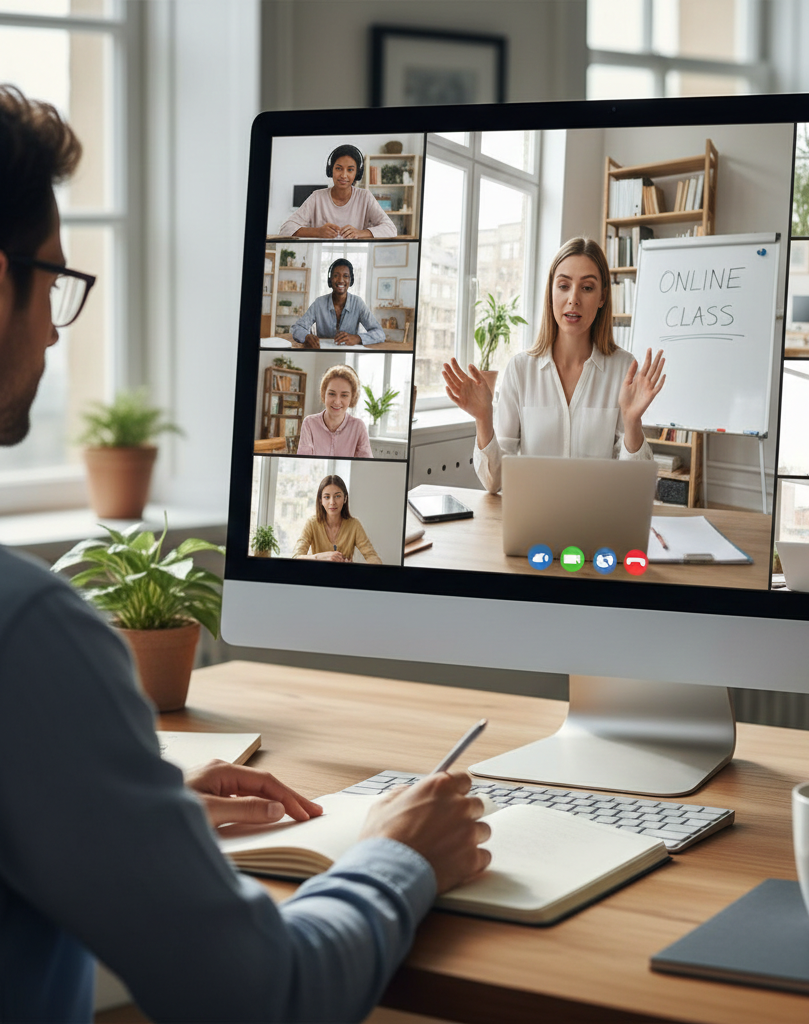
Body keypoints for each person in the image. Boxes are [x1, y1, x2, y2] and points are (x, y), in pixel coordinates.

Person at [0, 85, 488, 1021]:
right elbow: (270, 996)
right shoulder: (26, 639)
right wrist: (401, 853)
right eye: (53, 281)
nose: (56, 334)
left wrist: (116, 804)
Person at [442, 237, 665, 494]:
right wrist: (483, 419)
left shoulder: (623, 369)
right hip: (534, 524)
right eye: (563, 285)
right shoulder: (520, 370)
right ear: (551, 292)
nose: (573, 299)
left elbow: (633, 487)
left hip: (597, 522)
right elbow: (494, 482)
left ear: (603, 296)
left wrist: (632, 421)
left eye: (587, 288)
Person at [279, 144, 397, 239]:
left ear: (357, 173)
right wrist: (318, 232)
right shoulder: (317, 197)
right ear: (331, 170)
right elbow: (285, 229)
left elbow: (391, 229)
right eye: (339, 168)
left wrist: (360, 233)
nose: (343, 175)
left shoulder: (365, 197)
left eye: (350, 170)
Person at [291, 257, 386, 348]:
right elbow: (297, 328)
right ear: (330, 279)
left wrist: (358, 338)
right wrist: (306, 337)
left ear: (350, 280)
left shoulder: (358, 303)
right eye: (336, 275)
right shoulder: (319, 303)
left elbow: (380, 333)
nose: (340, 280)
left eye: (345, 276)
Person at [292, 474, 383, 563]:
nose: (332, 502)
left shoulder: (354, 525)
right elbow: (295, 557)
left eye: (337, 496)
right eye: (327, 497)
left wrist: (354, 569)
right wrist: (320, 556)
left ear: (345, 498)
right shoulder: (312, 523)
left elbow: (372, 557)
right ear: (321, 500)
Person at [297, 364, 372, 458]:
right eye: (332, 394)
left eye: (344, 395)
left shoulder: (358, 427)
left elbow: (365, 463)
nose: (337, 401)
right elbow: (304, 461)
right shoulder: (309, 423)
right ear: (324, 394)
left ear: (352, 398)